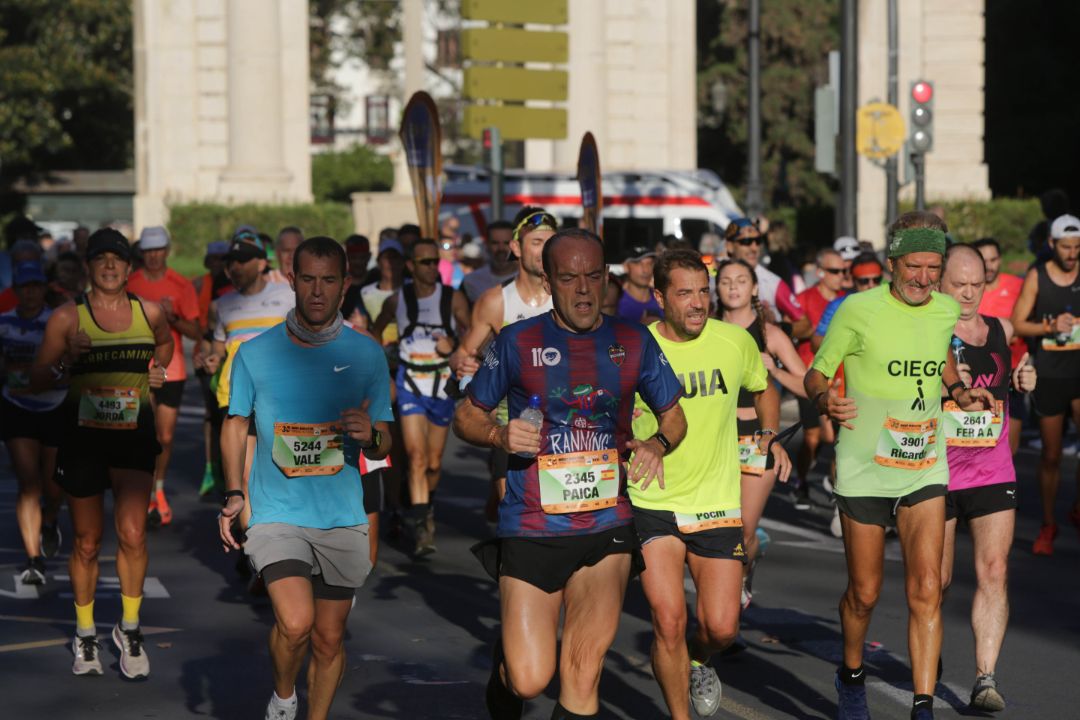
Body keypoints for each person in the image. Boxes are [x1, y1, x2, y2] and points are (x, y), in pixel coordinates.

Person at [454, 228, 687, 720]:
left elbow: (674, 416)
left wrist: (657, 444)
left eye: (592, 277)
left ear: (606, 277)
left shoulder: (632, 340)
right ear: (548, 279)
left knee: (582, 672)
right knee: (529, 678)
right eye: (568, 278)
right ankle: (505, 676)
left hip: (607, 525)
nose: (583, 290)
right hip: (534, 524)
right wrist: (499, 436)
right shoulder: (518, 341)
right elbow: (466, 416)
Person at [804, 211, 995, 720]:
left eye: (934, 267)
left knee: (928, 587)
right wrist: (827, 401)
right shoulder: (856, 309)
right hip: (865, 466)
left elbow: (942, 357)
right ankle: (850, 678)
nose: (924, 278)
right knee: (864, 593)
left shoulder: (943, 311)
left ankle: (923, 706)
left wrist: (958, 392)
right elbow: (816, 373)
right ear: (892, 263)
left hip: (923, 464)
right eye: (914, 266)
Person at [218, 236, 393, 720]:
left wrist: (371, 435)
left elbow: (384, 440)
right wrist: (234, 493)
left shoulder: (367, 355)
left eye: (329, 280)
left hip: (340, 514)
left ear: (345, 285)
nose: (318, 291)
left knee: (329, 637)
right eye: (308, 279)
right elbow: (235, 425)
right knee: (295, 623)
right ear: (292, 281)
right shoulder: (255, 353)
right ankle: (283, 698)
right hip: (277, 514)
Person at [631, 249, 791, 719]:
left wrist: (767, 432)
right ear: (659, 296)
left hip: (715, 502)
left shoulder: (733, 341)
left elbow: (764, 389)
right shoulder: (635, 347)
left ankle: (697, 660)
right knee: (668, 619)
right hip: (653, 498)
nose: (699, 302)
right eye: (685, 293)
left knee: (721, 628)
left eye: (704, 291)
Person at [31, 228, 173, 678]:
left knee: (133, 534)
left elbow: (166, 345)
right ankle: (86, 633)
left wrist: (159, 370)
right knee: (87, 542)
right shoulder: (66, 319)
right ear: (88, 267)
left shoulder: (149, 313)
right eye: (101, 260)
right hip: (84, 439)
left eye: (118, 259)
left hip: (133, 436)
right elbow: (36, 378)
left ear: (130, 268)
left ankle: (129, 629)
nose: (110, 266)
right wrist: (65, 362)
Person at [939, 244, 1036, 713]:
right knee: (933, 581)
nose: (968, 294)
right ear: (941, 282)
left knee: (994, 571)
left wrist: (1025, 377)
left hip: (992, 468)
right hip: (936, 469)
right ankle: (926, 649)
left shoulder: (1001, 328)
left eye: (976, 284)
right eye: (959, 285)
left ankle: (985, 678)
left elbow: (1015, 371)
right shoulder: (927, 333)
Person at [450, 207, 557, 520]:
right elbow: (464, 353)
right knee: (515, 526)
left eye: (550, 242)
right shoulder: (496, 301)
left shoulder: (568, 298)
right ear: (516, 248)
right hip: (512, 431)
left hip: (565, 429)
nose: (544, 250)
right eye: (536, 242)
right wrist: (465, 368)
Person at [715, 259, 805, 605]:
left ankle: (737, 585)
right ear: (717, 290)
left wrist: (775, 371)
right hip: (718, 434)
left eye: (741, 280)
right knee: (720, 526)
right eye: (725, 281)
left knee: (743, 530)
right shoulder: (707, 330)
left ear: (754, 288)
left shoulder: (770, 333)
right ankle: (725, 597)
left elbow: (809, 385)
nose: (733, 287)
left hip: (759, 436)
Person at [372, 238, 469, 556]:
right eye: (424, 262)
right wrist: (382, 366)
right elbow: (374, 334)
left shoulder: (452, 298)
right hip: (409, 382)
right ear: (412, 266)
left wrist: (453, 345)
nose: (431, 267)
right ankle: (421, 524)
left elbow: (473, 337)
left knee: (433, 462)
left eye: (434, 261)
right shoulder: (396, 300)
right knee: (414, 457)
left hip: (440, 384)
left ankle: (426, 506)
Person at [205, 231, 294, 541]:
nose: (237, 267)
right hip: (236, 396)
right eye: (232, 262)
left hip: (280, 398)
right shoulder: (222, 305)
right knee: (244, 475)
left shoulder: (287, 296)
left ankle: (281, 535)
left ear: (261, 263)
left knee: (282, 470)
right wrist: (212, 360)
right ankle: (255, 546)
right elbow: (217, 347)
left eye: (244, 260)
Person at [1010, 214, 1080, 555]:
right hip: (1051, 375)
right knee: (1051, 455)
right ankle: (1049, 523)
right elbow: (1018, 323)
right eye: (1066, 246)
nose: (1072, 253)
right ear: (1052, 245)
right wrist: (1051, 327)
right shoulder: (1038, 276)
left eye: (1077, 247)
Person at [127, 226, 201, 526]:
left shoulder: (181, 285)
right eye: (148, 250)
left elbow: (196, 331)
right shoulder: (129, 284)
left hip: (172, 369)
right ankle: (142, 493)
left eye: (159, 250)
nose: (154, 256)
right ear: (142, 253)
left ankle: (158, 489)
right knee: (143, 434)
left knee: (166, 437)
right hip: (137, 368)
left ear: (167, 251)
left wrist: (173, 318)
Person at [1, 261, 67, 583]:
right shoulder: (4, 323)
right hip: (17, 406)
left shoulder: (55, 323)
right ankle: (33, 559)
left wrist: (53, 374)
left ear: (44, 289)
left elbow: (71, 364)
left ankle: (51, 519)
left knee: (54, 486)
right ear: (15, 290)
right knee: (29, 482)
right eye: (24, 287)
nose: (30, 293)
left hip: (54, 406)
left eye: (35, 287)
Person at [793, 249, 848, 509]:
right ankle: (802, 480)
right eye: (835, 271)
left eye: (843, 271)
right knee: (814, 437)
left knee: (838, 437)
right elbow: (791, 325)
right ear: (820, 272)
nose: (841, 276)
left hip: (838, 378)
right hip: (808, 376)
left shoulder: (846, 301)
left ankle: (835, 483)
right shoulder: (804, 298)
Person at [971, 238, 1027, 455]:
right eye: (984, 260)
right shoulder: (970, 290)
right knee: (978, 448)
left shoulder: (1017, 286)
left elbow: (1028, 322)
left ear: (1000, 259)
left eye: (994, 259)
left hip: (1012, 375)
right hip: (978, 378)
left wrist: (1014, 331)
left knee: (1009, 451)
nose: (989, 265)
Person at [193, 241, 233, 496]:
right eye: (213, 259)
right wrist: (203, 352)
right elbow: (202, 327)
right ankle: (212, 468)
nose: (217, 263)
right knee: (212, 415)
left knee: (230, 416)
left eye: (223, 259)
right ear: (207, 261)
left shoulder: (238, 286)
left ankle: (228, 470)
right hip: (207, 354)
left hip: (228, 356)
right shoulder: (198, 285)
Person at [724, 217, 809, 336]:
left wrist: (776, 329)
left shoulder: (773, 283)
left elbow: (806, 325)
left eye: (758, 241)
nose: (754, 248)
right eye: (746, 242)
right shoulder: (713, 280)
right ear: (730, 246)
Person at [461, 221, 517, 304]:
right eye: (495, 243)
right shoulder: (470, 281)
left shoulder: (530, 280)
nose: (501, 248)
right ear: (486, 245)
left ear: (516, 245)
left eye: (506, 243)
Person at [615, 245, 663, 323]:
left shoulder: (662, 299)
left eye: (650, 263)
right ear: (626, 267)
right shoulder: (616, 302)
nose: (645, 270)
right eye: (638, 263)